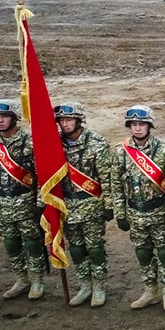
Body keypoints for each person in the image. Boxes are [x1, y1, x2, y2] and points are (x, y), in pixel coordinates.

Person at [112, 105, 165, 312]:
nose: (137, 128)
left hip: (160, 213)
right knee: (142, 253)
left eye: (141, 124)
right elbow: (115, 184)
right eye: (133, 124)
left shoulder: (164, 150)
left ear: (150, 126)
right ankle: (151, 289)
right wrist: (120, 213)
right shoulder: (121, 152)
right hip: (135, 214)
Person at [0, 100, 46, 300]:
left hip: (25, 202)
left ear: (14, 118)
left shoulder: (29, 142)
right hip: (0, 202)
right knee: (11, 243)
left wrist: (41, 203)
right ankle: (21, 279)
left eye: (5, 116)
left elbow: (42, 176)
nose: (0, 120)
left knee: (32, 242)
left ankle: (36, 280)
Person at [55, 102, 114, 307]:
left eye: (69, 119)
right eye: (61, 120)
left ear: (79, 120)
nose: (64, 124)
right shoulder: (54, 144)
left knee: (95, 248)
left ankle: (99, 286)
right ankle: (85, 285)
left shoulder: (96, 143)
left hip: (92, 205)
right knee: (76, 248)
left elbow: (107, 177)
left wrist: (109, 204)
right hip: (66, 206)